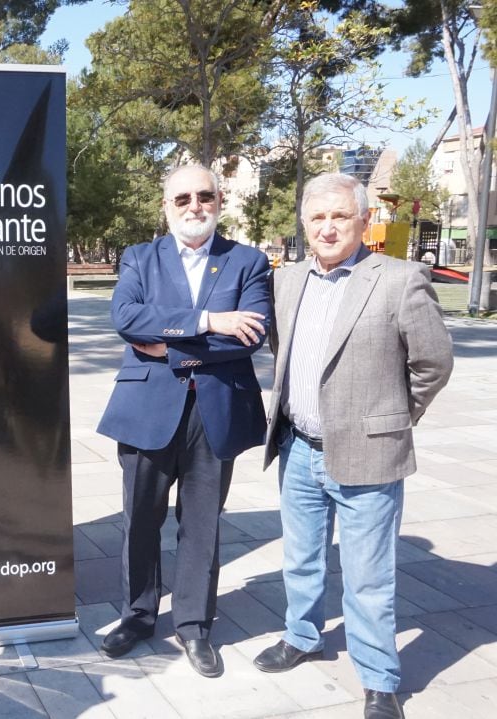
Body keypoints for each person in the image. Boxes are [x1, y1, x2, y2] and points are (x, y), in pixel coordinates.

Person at [255, 173, 453, 719]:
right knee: (301, 558)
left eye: (339, 216)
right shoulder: (287, 281)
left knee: (368, 578)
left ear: (364, 222)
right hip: (297, 447)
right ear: (303, 224)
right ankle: (302, 636)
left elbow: (433, 362)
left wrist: (391, 417)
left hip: (369, 454)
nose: (327, 227)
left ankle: (379, 680)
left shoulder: (399, 279)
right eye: (317, 217)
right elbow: (282, 350)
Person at [97, 164, 271, 677]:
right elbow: (126, 318)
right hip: (146, 411)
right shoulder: (139, 258)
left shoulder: (248, 261)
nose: (194, 206)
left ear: (220, 200)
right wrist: (209, 322)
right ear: (166, 207)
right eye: (182, 199)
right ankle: (137, 615)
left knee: (201, 527)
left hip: (216, 412)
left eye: (204, 196)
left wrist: (167, 346)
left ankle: (194, 625)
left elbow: (252, 335)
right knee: (140, 520)